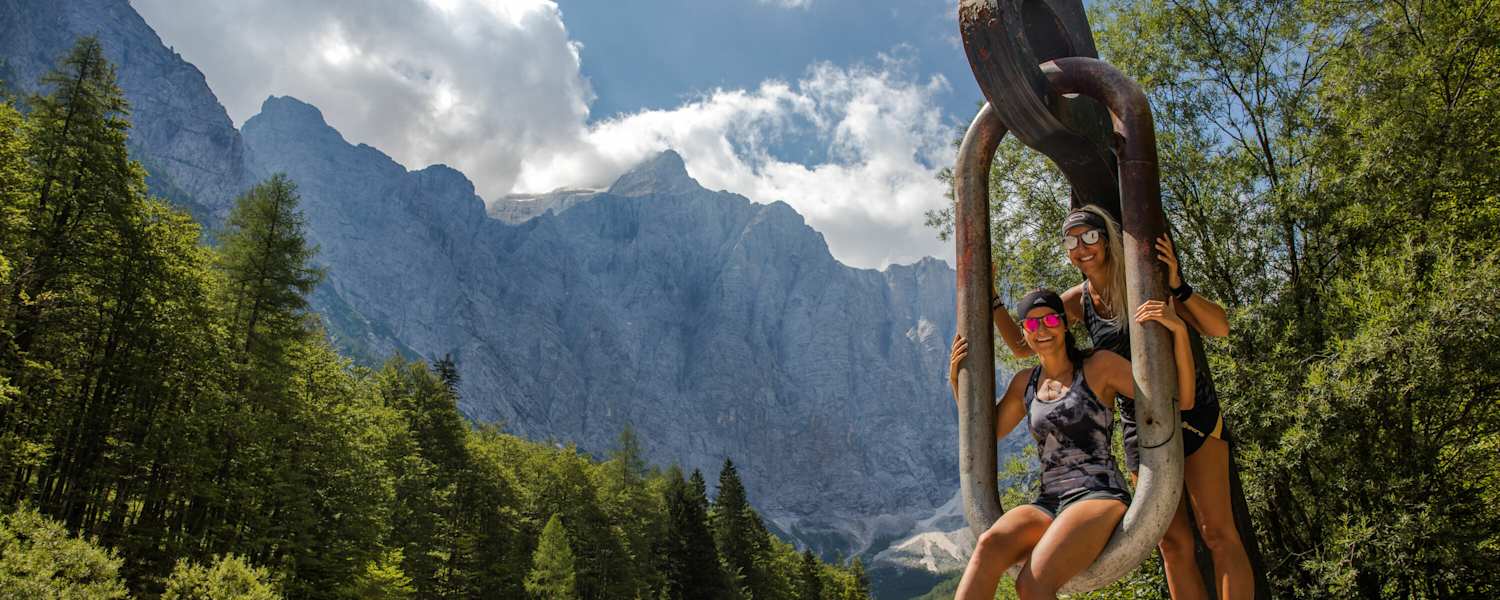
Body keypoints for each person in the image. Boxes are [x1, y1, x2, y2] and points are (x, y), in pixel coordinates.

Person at [990, 205, 1253, 600]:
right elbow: (1024, 343)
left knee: (1217, 532)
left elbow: (1220, 326)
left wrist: (1178, 288)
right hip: (1139, 427)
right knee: (1171, 543)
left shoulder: (1145, 279)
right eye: (1072, 242)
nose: (1082, 248)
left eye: (1089, 237)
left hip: (1191, 412)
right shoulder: (1078, 301)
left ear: (1107, 238)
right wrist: (991, 296)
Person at [948, 288, 1195, 600]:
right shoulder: (1025, 383)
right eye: (1032, 324)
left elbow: (1180, 399)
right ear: (1024, 333)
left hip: (1098, 494)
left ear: (1065, 324)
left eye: (1051, 320)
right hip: (1049, 501)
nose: (1042, 329)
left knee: (1031, 585)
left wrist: (1180, 331)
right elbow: (986, 434)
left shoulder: (1099, 365)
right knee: (988, 545)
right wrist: (957, 382)